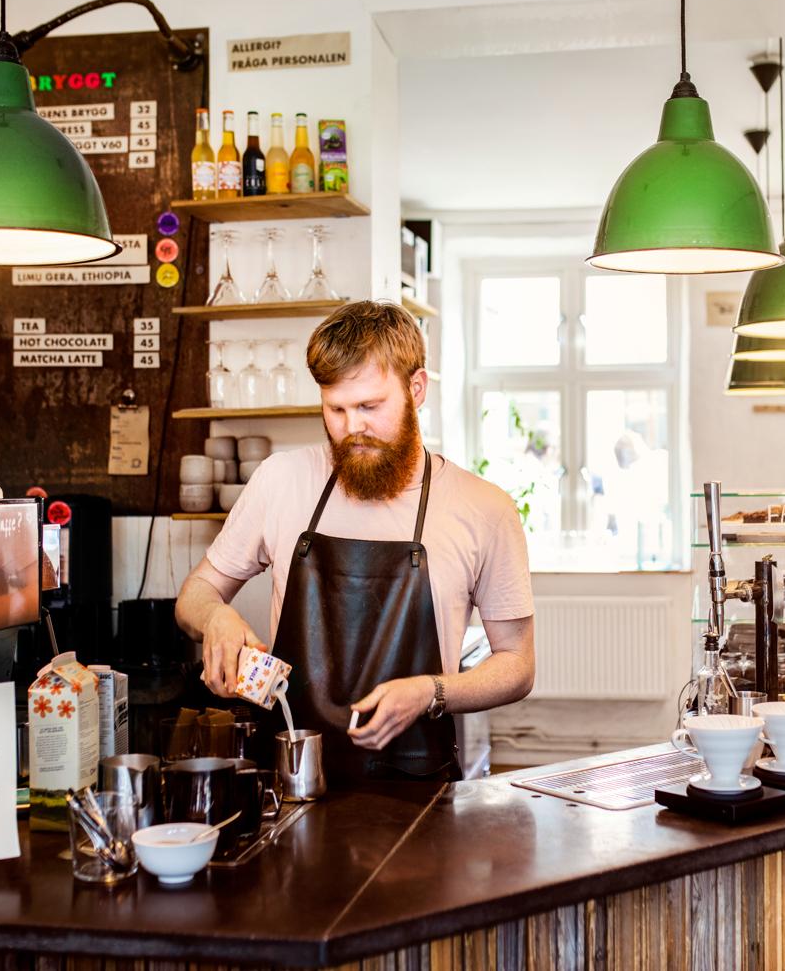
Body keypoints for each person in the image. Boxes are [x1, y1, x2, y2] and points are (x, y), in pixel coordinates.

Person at [175, 301, 535, 783]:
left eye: (370, 406)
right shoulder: (281, 480)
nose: (351, 428)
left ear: (417, 388)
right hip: (294, 780)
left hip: (420, 791)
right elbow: (195, 594)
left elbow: (517, 664)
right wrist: (215, 615)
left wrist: (431, 692)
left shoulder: (483, 508)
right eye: (336, 409)